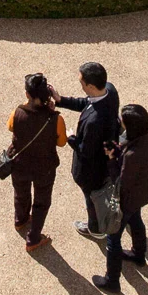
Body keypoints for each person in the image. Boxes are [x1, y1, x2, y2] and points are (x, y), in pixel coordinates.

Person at [55, 61, 122, 245]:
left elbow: (85, 150)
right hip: (107, 161)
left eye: (82, 84)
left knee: (92, 201)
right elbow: (87, 102)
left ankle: (96, 228)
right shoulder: (110, 91)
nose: (81, 86)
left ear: (91, 86)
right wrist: (60, 99)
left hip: (92, 173)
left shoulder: (94, 122)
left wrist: (70, 138)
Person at [97, 102, 148, 293]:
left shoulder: (131, 156)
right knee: (136, 220)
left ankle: (112, 280)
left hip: (127, 199)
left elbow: (121, 181)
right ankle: (139, 254)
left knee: (113, 238)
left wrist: (111, 158)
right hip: (142, 192)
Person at [4, 73, 65, 250]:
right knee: (42, 201)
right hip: (44, 168)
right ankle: (33, 238)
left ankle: (20, 220)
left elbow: (10, 127)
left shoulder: (17, 112)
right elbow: (61, 142)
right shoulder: (55, 119)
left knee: (20, 193)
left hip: (19, 164)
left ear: (27, 95)